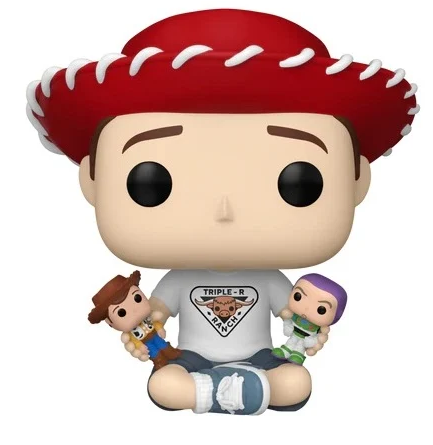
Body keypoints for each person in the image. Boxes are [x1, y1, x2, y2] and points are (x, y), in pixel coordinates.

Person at [26, 9, 419, 414]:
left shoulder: (268, 279)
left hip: (262, 357)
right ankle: (233, 391)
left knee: (296, 380)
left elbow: (292, 312)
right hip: (190, 358)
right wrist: (139, 327)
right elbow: (155, 312)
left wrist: (309, 328)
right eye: (152, 183)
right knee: (164, 384)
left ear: (356, 181)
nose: (224, 210)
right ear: (93, 180)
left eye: (299, 182)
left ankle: (218, 391)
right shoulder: (180, 279)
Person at [88, 271, 181, 370]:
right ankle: (159, 361)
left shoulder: (149, 317)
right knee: (153, 351)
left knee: (162, 344)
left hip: (154, 335)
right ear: (109, 322)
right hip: (145, 342)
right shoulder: (131, 332)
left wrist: (160, 328)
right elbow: (134, 340)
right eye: (121, 312)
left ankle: (170, 352)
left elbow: (155, 323)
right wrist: (140, 346)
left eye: (137, 298)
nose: (134, 310)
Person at [272, 274, 347, 365]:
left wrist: (313, 341)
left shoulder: (319, 328)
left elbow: (319, 337)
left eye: (321, 309)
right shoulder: (294, 315)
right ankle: (285, 350)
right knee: (291, 341)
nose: (306, 308)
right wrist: (287, 325)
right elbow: (288, 320)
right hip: (294, 333)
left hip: (307, 337)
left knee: (300, 346)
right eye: (298, 296)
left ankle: (298, 355)